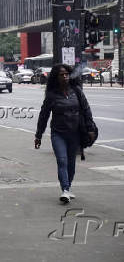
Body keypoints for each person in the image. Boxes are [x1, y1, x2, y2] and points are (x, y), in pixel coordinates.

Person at [35, 64, 96, 203]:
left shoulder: (77, 91)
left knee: (71, 164)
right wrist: (38, 135)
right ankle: (65, 190)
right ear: (56, 78)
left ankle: (68, 186)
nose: (65, 77)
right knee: (62, 161)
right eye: (61, 75)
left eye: (66, 74)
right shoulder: (51, 95)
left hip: (75, 133)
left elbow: (86, 110)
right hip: (58, 133)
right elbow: (43, 115)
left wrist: (90, 128)